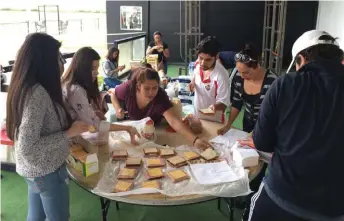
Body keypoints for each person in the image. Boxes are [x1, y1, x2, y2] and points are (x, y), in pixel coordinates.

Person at [247, 30, 344, 221]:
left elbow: (262, 143)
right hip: (334, 207)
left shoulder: (285, 84)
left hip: (282, 197)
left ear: (301, 59)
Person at [6, 33, 89, 221]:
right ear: (44, 62)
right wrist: (68, 133)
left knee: (36, 216)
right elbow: (29, 147)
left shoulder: (23, 86)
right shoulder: (37, 94)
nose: (61, 63)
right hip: (45, 170)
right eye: (57, 58)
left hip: (33, 170)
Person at [109, 67, 211, 150]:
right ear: (139, 86)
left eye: (155, 88)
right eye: (147, 88)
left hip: (152, 130)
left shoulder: (160, 96)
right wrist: (118, 109)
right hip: (132, 128)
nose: (151, 93)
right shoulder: (128, 87)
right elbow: (112, 93)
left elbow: (173, 121)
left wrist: (195, 140)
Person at [62, 47, 140, 145]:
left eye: (97, 68)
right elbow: (96, 124)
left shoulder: (69, 85)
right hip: (72, 142)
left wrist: (92, 114)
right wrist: (127, 128)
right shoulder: (76, 91)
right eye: (92, 68)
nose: (97, 72)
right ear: (81, 68)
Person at [217, 44, 277, 135]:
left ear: (257, 65)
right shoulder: (238, 77)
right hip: (247, 124)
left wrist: (257, 134)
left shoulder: (272, 82)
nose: (242, 76)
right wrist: (228, 125)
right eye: (239, 71)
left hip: (266, 127)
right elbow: (237, 103)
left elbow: (275, 113)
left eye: (246, 73)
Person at [189, 36, 231, 123]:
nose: (203, 63)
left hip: (214, 120)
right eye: (201, 58)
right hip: (198, 114)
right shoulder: (198, 63)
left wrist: (214, 107)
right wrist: (193, 82)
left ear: (216, 56)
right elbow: (196, 73)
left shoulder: (221, 75)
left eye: (208, 60)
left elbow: (224, 103)